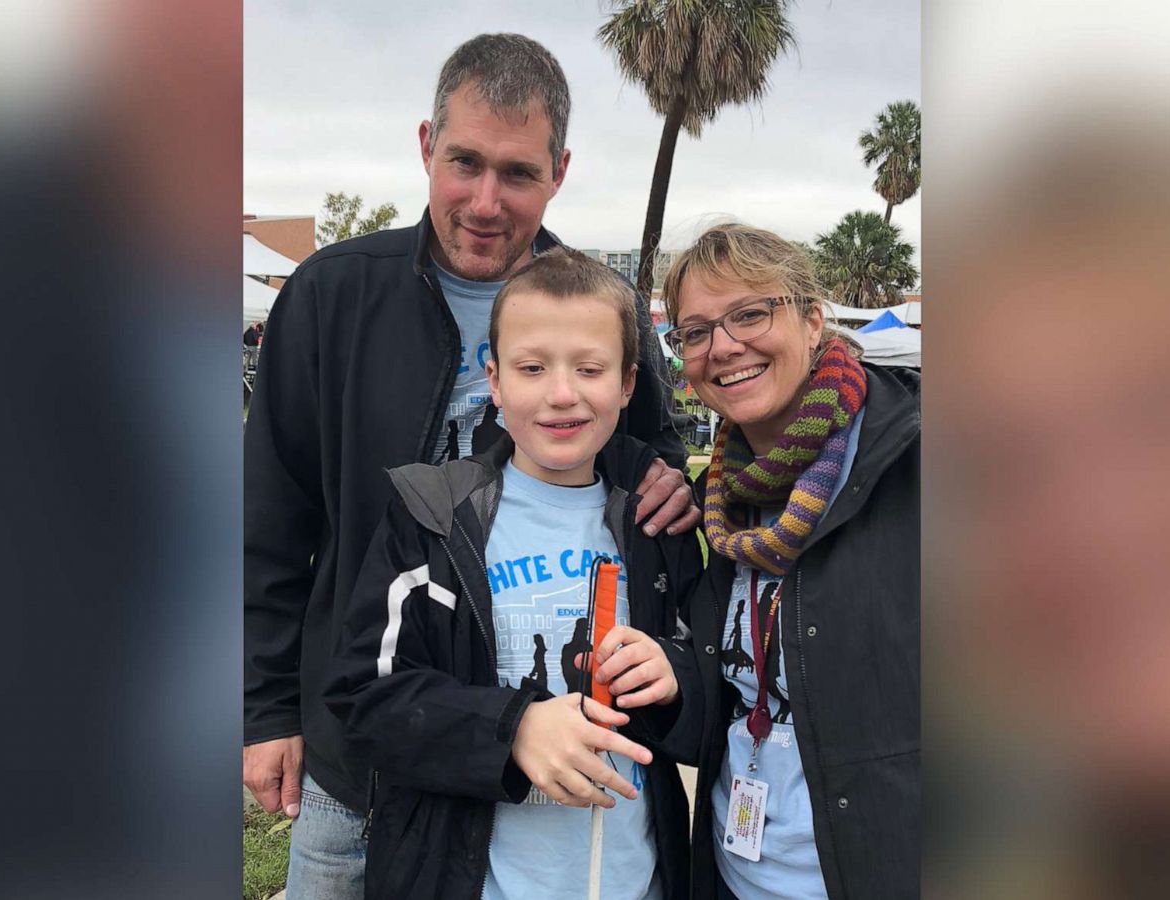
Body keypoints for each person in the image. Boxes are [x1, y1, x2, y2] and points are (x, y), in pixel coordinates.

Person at [243, 33, 698, 900]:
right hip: (360, 747)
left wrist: (667, 479)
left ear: (560, 170)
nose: (486, 201)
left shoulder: (602, 309)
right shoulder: (332, 295)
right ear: (426, 146)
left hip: (549, 764)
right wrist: (264, 710)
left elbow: (647, 451)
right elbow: (269, 517)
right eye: (465, 163)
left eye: (519, 173)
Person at [325, 249, 703, 899]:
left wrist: (678, 676)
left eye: (589, 368)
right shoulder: (433, 517)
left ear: (627, 383)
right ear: (495, 382)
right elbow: (363, 700)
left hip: (632, 879)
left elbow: (718, 676)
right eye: (532, 368)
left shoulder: (656, 524)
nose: (562, 393)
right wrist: (513, 728)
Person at [657, 224, 919, 899]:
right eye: (694, 331)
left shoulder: (916, 463)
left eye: (750, 313)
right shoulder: (710, 501)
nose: (723, 347)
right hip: (736, 876)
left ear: (812, 321)